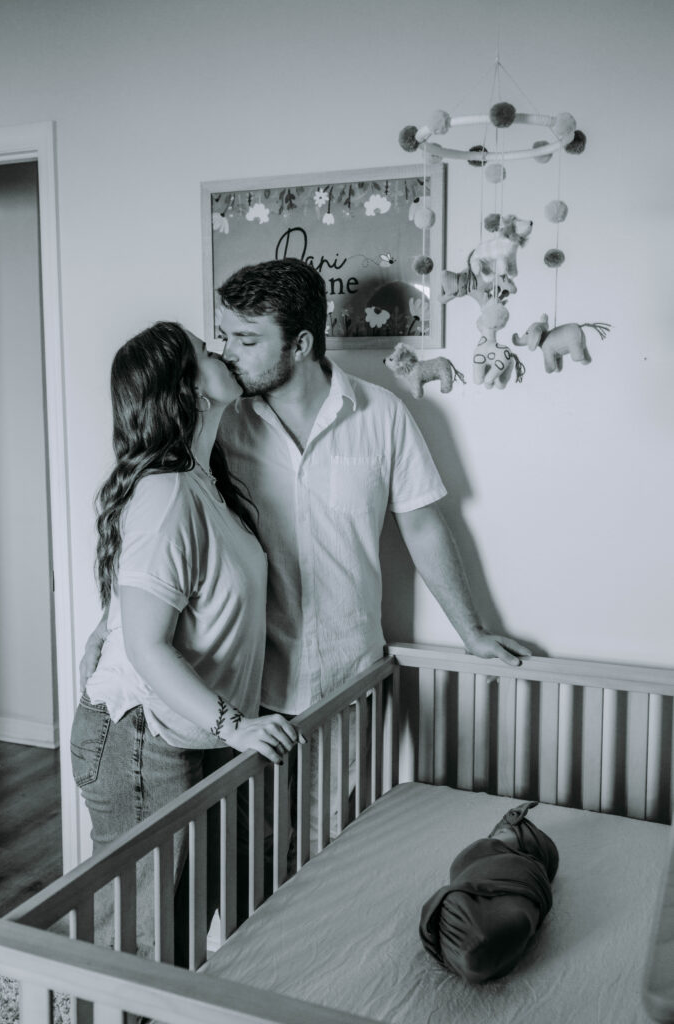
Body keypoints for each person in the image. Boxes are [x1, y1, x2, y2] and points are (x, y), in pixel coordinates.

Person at [81, 259, 529, 834]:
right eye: (224, 338)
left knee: (329, 848)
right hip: (242, 688)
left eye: (247, 339)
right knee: (243, 865)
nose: (229, 352)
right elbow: (161, 539)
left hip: (345, 680)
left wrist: (472, 632)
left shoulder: (382, 415)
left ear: (300, 343)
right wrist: (111, 622)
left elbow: (422, 525)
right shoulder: (220, 423)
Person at [71, 321, 301, 960]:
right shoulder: (167, 492)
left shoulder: (203, 480)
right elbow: (149, 647)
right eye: (207, 351)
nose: (222, 350)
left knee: (190, 922)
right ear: (189, 389)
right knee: (146, 943)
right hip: (143, 737)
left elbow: (165, 600)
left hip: (187, 726)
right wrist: (238, 726)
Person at [419, 801, 559, 982]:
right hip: (493, 912)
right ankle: (480, 949)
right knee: (502, 923)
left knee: (507, 919)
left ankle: (481, 946)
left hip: (506, 912)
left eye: (501, 833)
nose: (491, 837)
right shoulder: (505, 861)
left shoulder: (528, 867)